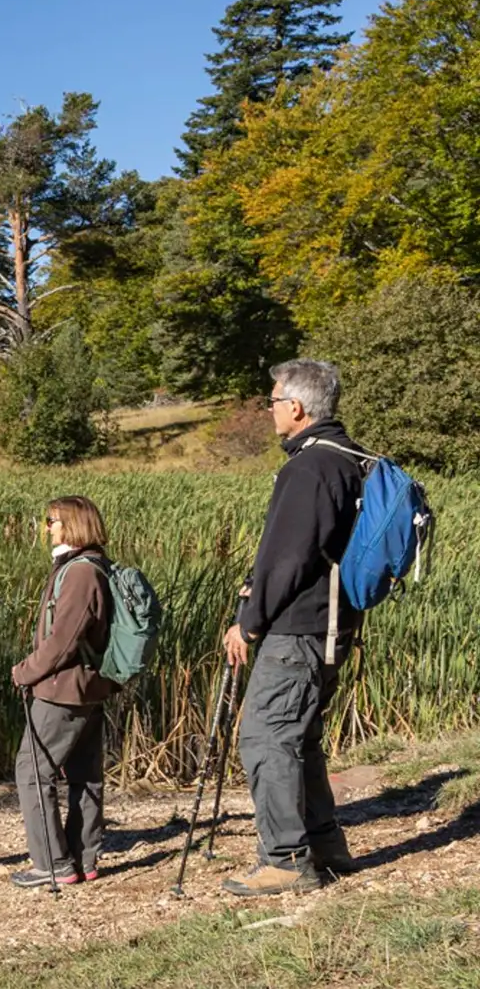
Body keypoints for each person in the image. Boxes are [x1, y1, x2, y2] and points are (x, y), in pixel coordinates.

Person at [220, 358, 364, 896]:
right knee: (300, 738)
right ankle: (326, 845)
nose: (271, 410)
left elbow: (288, 558)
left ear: (297, 408)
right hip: (332, 623)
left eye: (274, 401)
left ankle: (284, 860)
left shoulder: (308, 468)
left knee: (266, 737)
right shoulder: (349, 459)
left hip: (298, 629)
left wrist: (249, 623)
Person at [9, 495, 113, 889]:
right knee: (85, 775)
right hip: (86, 686)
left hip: (63, 690)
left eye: (51, 520)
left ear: (72, 524)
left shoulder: (82, 573)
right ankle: (83, 859)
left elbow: (63, 640)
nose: (46, 526)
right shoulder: (86, 567)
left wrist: (26, 672)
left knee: (32, 771)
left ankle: (51, 863)